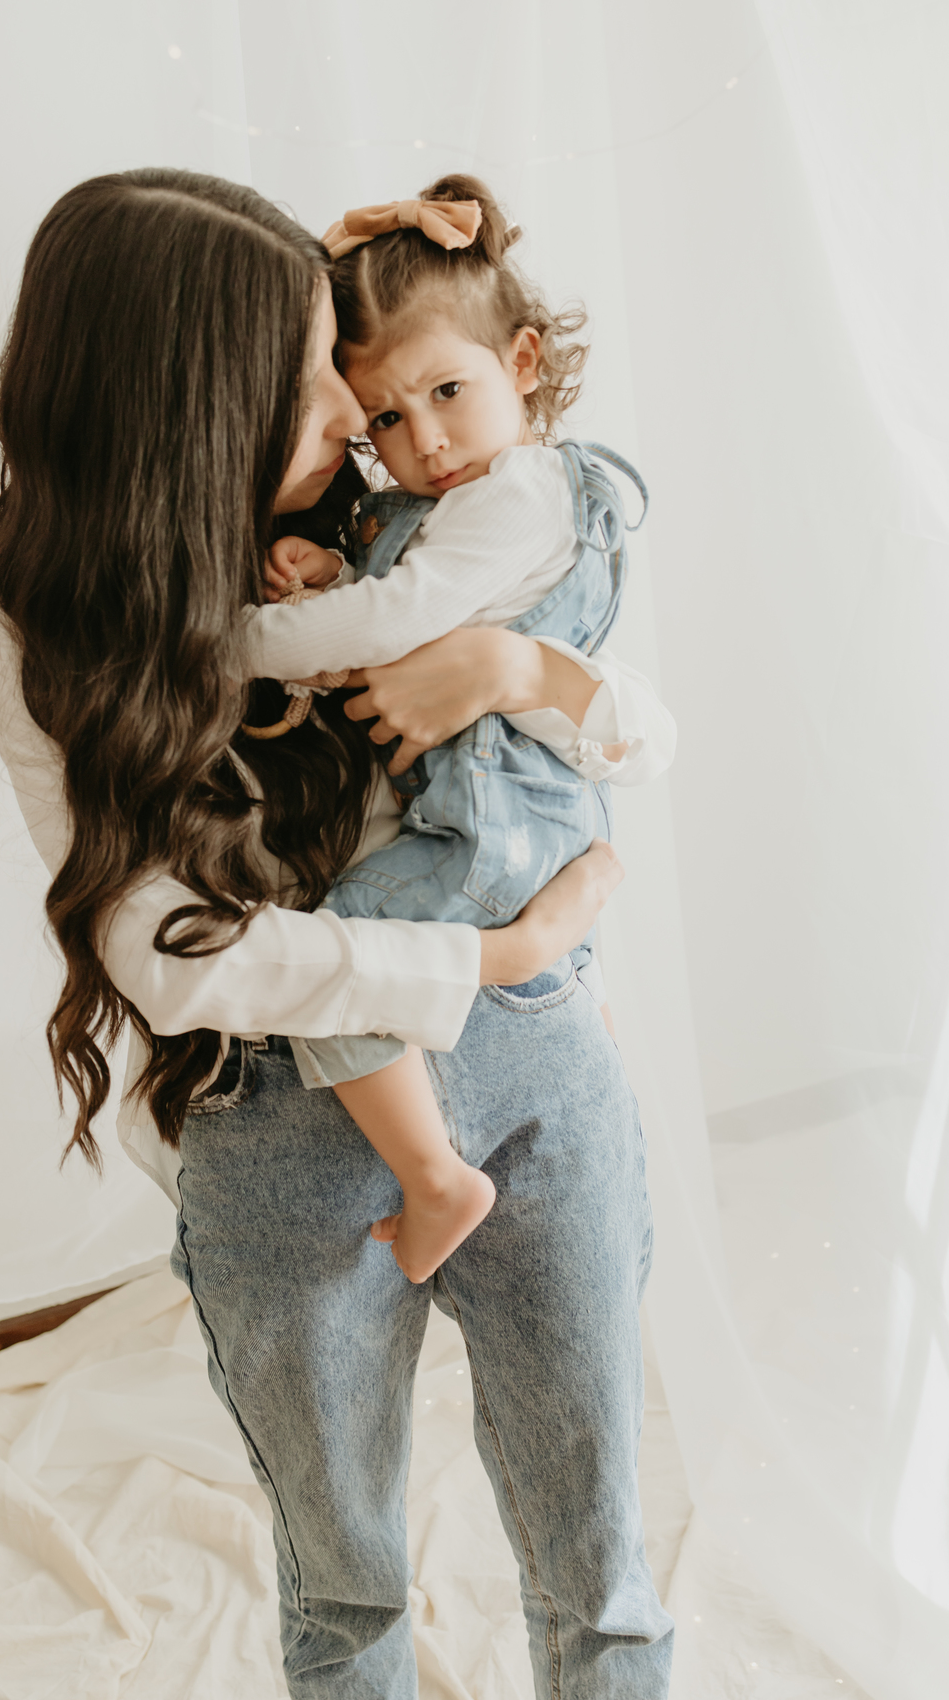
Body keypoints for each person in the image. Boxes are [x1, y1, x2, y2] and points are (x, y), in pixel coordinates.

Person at [0, 167, 675, 1700]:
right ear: (188, 413)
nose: (357, 423)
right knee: (345, 1583)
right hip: (283, 1123)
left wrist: (508, 664)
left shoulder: (428, 502)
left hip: (540, 1063)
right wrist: (478, 962)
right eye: (308, 391)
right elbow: (167, 950)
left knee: (603, 1563)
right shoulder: (31, 621)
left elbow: (635, 739)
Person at [246, 173, 652, 1284]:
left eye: (446, 392)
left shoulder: (518, 492)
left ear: (522, 364)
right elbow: (411, 600)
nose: (422, 439)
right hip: (517, 819)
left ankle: (435, 1178)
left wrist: (228, 638)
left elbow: (403, 619)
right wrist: (336, 568)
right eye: (385, 416)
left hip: (496, 822)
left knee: (340, 960)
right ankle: (578, 1069)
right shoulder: (467, 504)